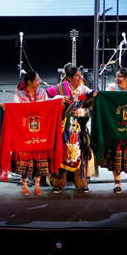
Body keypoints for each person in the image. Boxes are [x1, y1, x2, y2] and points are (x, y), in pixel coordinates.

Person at [46, 65, 95, 193]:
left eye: (81, 75)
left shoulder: (85, 90)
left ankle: (81, 183)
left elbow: (94, 110)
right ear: (69, 78)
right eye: (77, 76)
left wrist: (82, 112)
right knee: (61, 154)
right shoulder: (58, 89)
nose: (81, 78)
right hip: (62, 130)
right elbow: (46, 101)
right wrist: (61, 99)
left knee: (80, 155)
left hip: (79, 130)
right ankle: (58, 183)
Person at [11, 70, 51, 195]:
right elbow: (16, 113)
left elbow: (48, 108)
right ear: (29, 82)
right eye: (37, 80)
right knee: (25, 158)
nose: (39, 82)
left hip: (40, 131)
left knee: (40, 157)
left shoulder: (43, 93)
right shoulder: (19, 95)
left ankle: (37, 184)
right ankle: (24, 185)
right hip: (25, 133)